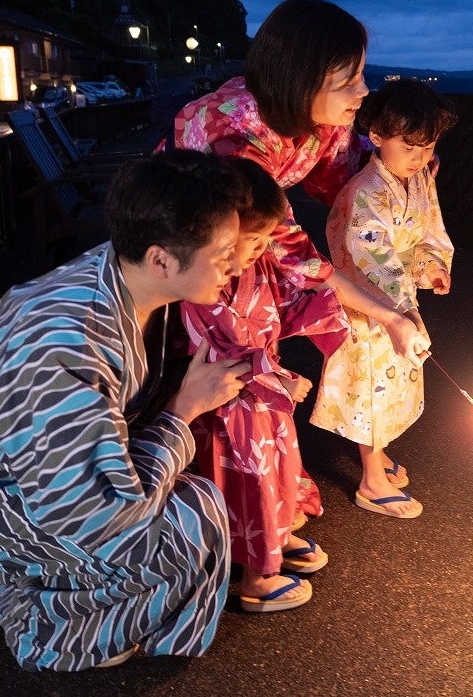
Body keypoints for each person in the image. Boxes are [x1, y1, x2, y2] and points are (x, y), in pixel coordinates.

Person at [0, 150, 253, 671]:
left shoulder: (116, 270)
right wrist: (184, 410)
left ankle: (57, 587)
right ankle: (46, 630)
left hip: (31, 469)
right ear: (161, 259)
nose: (237, 264)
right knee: (190, 527)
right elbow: (100, 517)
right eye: (225, 251)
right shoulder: (70, 346)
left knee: (191, 495)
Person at [170, 0, 428, 365]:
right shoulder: (233, 140)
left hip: (250, 225)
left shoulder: (323, 121)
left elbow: (341, 177)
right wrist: (388, 315)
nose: (364, 91)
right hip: (195, 235)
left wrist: (401, 157)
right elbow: (290, 250)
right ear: (302, 82)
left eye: (361, 76)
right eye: (350, 81)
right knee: (234, 336)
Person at [180, 158, 349, 612]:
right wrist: (280, 379)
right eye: (251, 238)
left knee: (278, 472)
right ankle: (258, 577)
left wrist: (324, 309)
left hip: (264, 403)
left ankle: (278, 537)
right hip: (231, 408)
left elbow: (280, 310)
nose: (259, 248)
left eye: (264, 238)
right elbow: (220, 351)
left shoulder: (259, 268)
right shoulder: (202, 287)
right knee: (250, 485)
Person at [311, 80, 457, 519]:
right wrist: (404, 308)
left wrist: (433, 265)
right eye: (409, 147)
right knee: (371, 391)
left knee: (395, 386)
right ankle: (372, 480)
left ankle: (378, 454)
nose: (419, 159)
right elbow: (372, 257)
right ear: (376, 136)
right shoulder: (366, 190)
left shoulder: (418, 178)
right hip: (368, 307)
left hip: (400, 299)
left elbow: (431, 227)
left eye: (427, 147)